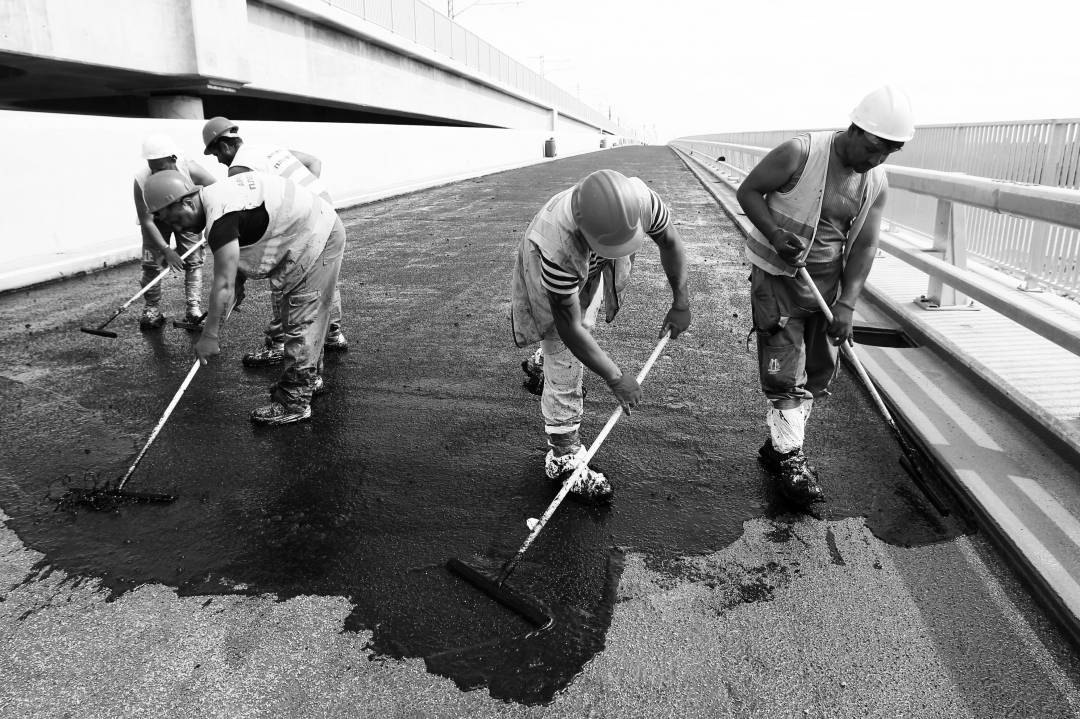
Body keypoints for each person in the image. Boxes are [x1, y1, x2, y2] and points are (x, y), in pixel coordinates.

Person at [734, 85, 915, 505]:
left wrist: (848, 303)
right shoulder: (800, 153)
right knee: (783, 372)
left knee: (818, 371)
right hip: (778, 279)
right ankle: (791, 460)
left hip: (825, 290)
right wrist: (777, 235)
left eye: (887, 152)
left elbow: (866, 244)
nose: (875, 160)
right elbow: (748, 192)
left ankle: (778, 445)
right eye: (873, 148)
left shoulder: (876, 182)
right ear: (854, 129)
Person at [510, 169, 691, 500]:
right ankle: (563, 458)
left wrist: (681, 301)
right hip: (546, 264)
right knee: (562, 344)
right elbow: (569, 328)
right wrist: (615, 377)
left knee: (584, 320)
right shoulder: (558, 247)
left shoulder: (639, 202)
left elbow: (671, 242)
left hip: (589, 261)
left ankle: (542, 361)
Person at [142, 169, 346, 426]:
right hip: (310, 227)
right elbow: (234, 272)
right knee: (295, 314)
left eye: (174, 219)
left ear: (186, 201)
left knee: (301, 319)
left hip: (318, 234)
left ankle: (294, 401)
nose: (176, 227)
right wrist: (233, 291)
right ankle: (309, 378)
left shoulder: (221, 219)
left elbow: (223, 284)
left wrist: (210, 336)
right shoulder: (218, 202)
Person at [200, 116, 348, 365]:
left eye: (216, 154)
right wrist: (304, 198)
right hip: (324, 211)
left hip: (300, 224)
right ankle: (332, 333)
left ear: (224, 146)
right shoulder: (268, 149)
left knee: (285, 276)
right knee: (320, 274)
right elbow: (314, 162)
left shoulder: (238, 169)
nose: (219, 160)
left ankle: (280, 343)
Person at [132, 134, 217, 330]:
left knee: (193, 261)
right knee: (152, 263)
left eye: (161, 168)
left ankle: (193, 310)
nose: (156, 173)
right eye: (153, 169)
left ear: (173, 159)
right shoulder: (141, 179)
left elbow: (217, 189)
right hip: (157, 220)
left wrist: (211, 221)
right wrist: (165, 250)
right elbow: (146, 220)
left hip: (185, 216)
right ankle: (151, 309)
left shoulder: (190, 168)